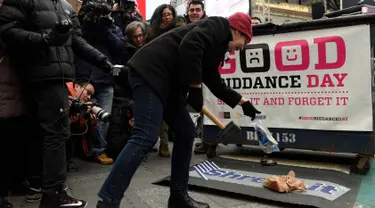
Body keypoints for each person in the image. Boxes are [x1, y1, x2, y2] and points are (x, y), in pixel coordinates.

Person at [96, 12, 261, 208]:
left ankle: (178, 197)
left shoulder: (217, 46)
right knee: (145, 136)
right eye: (242, 44)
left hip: (168, 85)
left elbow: (214, 80)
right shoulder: (218, 26)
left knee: (186, 132)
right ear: (237, 31)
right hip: (150, 73)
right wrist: (195, 88)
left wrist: (242, 102)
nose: (237, 50)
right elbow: (190, 45)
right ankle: (108, 201)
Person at [0, 0, 113, 207]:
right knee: (56, 134)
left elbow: (75, 40)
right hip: (37, 76)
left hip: (56, 76)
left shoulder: (64, 6)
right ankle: (53, 194)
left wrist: (101, 60)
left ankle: (47, 190)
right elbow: (7, 30)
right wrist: (45, 39)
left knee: (46, 134)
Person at [75, 0, 126, 165]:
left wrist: (105, 29)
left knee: (103, 118)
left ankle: (99, 150)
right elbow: (77, 41)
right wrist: (88, 20)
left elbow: (119, 48)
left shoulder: (112, 27)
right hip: (85, 76)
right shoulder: (85, 25)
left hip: (105, 78)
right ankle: (84, 149)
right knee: (84, 116)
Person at [66, 81, 97, 172]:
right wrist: (67, 121)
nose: (89, 97)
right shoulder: (64, 94)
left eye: (91, 95)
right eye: (88, 93)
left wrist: (92, 122)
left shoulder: (83, 104)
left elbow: (82, 130)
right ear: (76, 86)